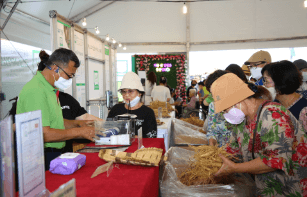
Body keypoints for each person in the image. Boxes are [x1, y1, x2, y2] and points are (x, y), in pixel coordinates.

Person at [210, 73, 307, 197]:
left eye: (225, 109)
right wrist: (212, 162)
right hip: (265, 189)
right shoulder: (241, 121)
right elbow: (232, 150)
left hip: (290, 189)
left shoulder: (273, 114)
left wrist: (235, 168)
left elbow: (275, 160)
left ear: (238, 100)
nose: (225, 113)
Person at [16, 48, 96, 170]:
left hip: (56, 153)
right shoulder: (36, 90)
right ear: (54, 68)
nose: (69, 80)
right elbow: (43, 133)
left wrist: (78, 124)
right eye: (69, 76)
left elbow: (55, 122)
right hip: (41, 157)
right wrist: (78, 132)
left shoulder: (50, 89)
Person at [205, 69, 272, 147]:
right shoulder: (243, 117)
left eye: (225, 109)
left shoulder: (271, 114)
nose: (225, 112)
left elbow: (275, 156)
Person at [107, 72, 157, 138]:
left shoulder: (148, 113)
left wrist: (129, 137)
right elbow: (107, 131)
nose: (127, 95)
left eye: (130, 91)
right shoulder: (115, 109)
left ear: (140, 93)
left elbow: (151, 137)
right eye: (124, 91)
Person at [261, 60, 307, 133]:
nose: (264, 85)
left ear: (281, 80)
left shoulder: (304, 109)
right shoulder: (274, 104)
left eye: (266, 80)